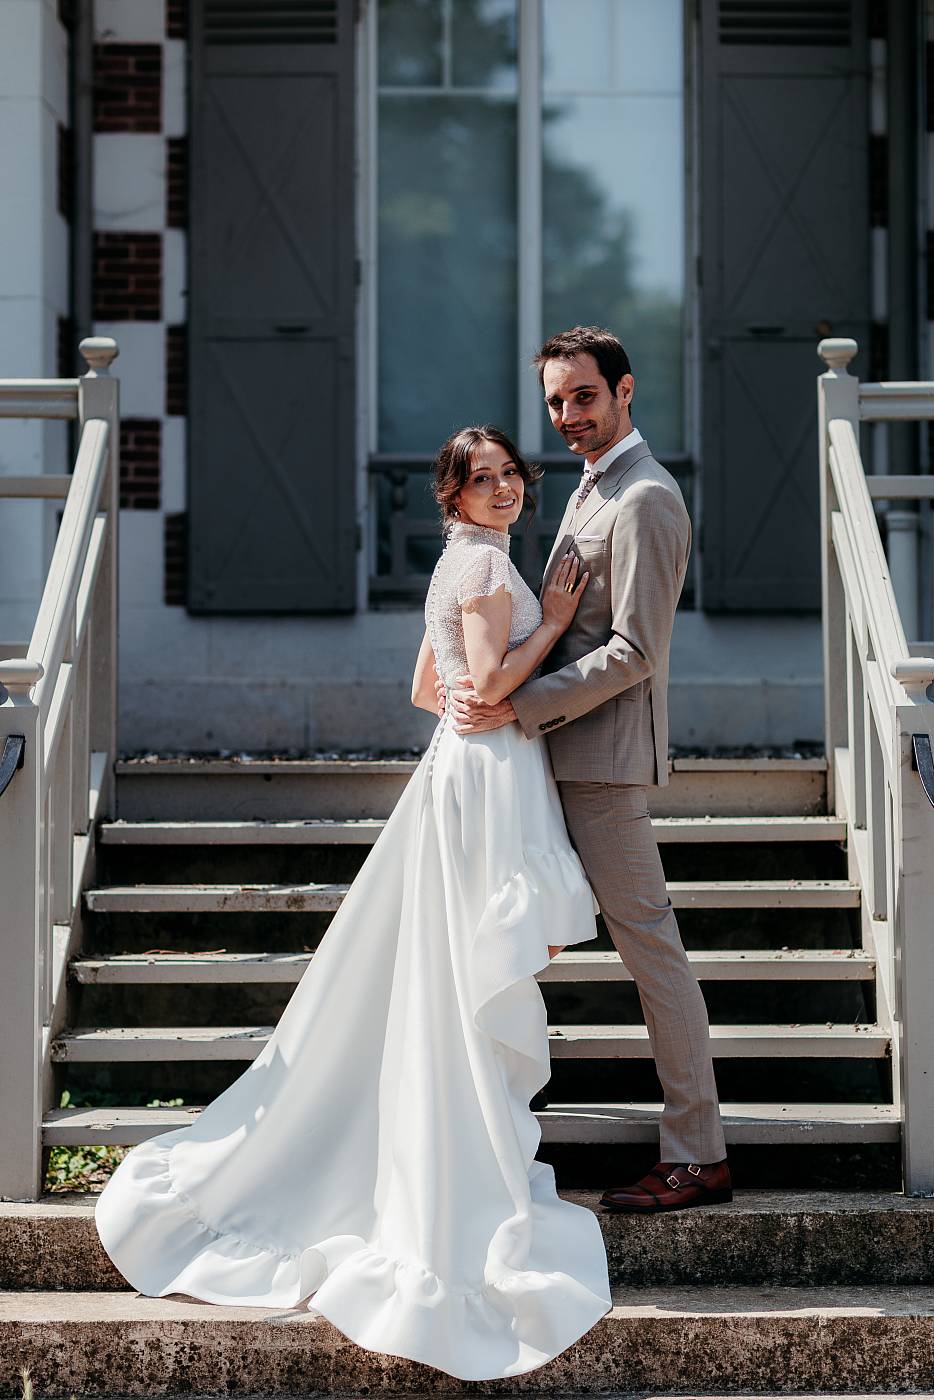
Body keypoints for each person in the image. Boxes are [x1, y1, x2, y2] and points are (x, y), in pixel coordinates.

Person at [94, 423, 612, 1381]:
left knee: (453, 971)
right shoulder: (493, 572)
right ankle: (459, 1150)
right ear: (452, 497)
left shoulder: (454, 565)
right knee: (470, 973)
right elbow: (490, 682)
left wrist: (471, 696)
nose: (501, 490)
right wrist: (551, 624)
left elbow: (429, 686)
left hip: (456, 765)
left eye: (508, 475)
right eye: (480, 480)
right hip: (489, 775)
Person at [448, 326, 731, 1213]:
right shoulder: (585, 488)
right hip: (543, 753)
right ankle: (473, 1130)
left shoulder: (646, 498)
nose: (569, 416)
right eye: (556, 402)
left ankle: (696, 1153)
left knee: (653, 951)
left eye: (584, 397)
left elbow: (636, 650)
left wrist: (516, 706)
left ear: (625, 390)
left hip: (598, 761)